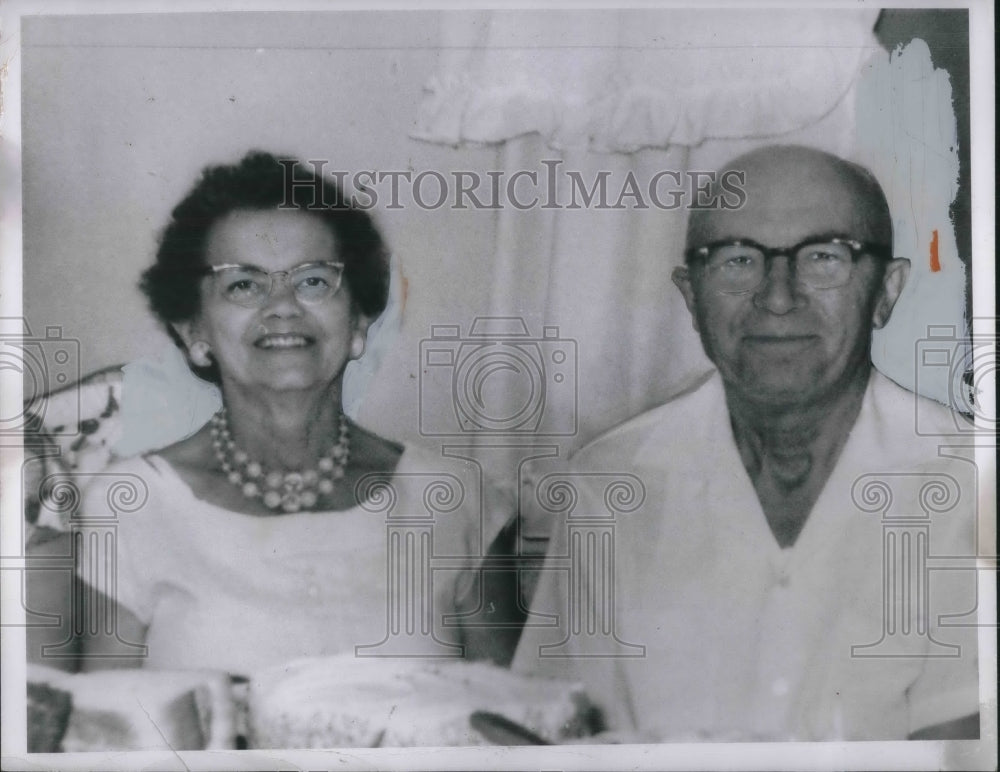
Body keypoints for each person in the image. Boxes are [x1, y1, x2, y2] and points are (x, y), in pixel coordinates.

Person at [512, 145, 980, 741]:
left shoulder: (969, 485)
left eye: (823, 258)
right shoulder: (606, 486)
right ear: (691, 295)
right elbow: (559, 735)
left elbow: (964, 747)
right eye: (736, 260)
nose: (778, 296)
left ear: (886, 291)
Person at [69, 151, 509, 675]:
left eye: (314, 281)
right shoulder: (128, 507)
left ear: (359, 322)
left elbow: (512, 731)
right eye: (243, 285)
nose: (282, 306)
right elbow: (107, 743)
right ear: (194, 332)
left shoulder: (458, 501)